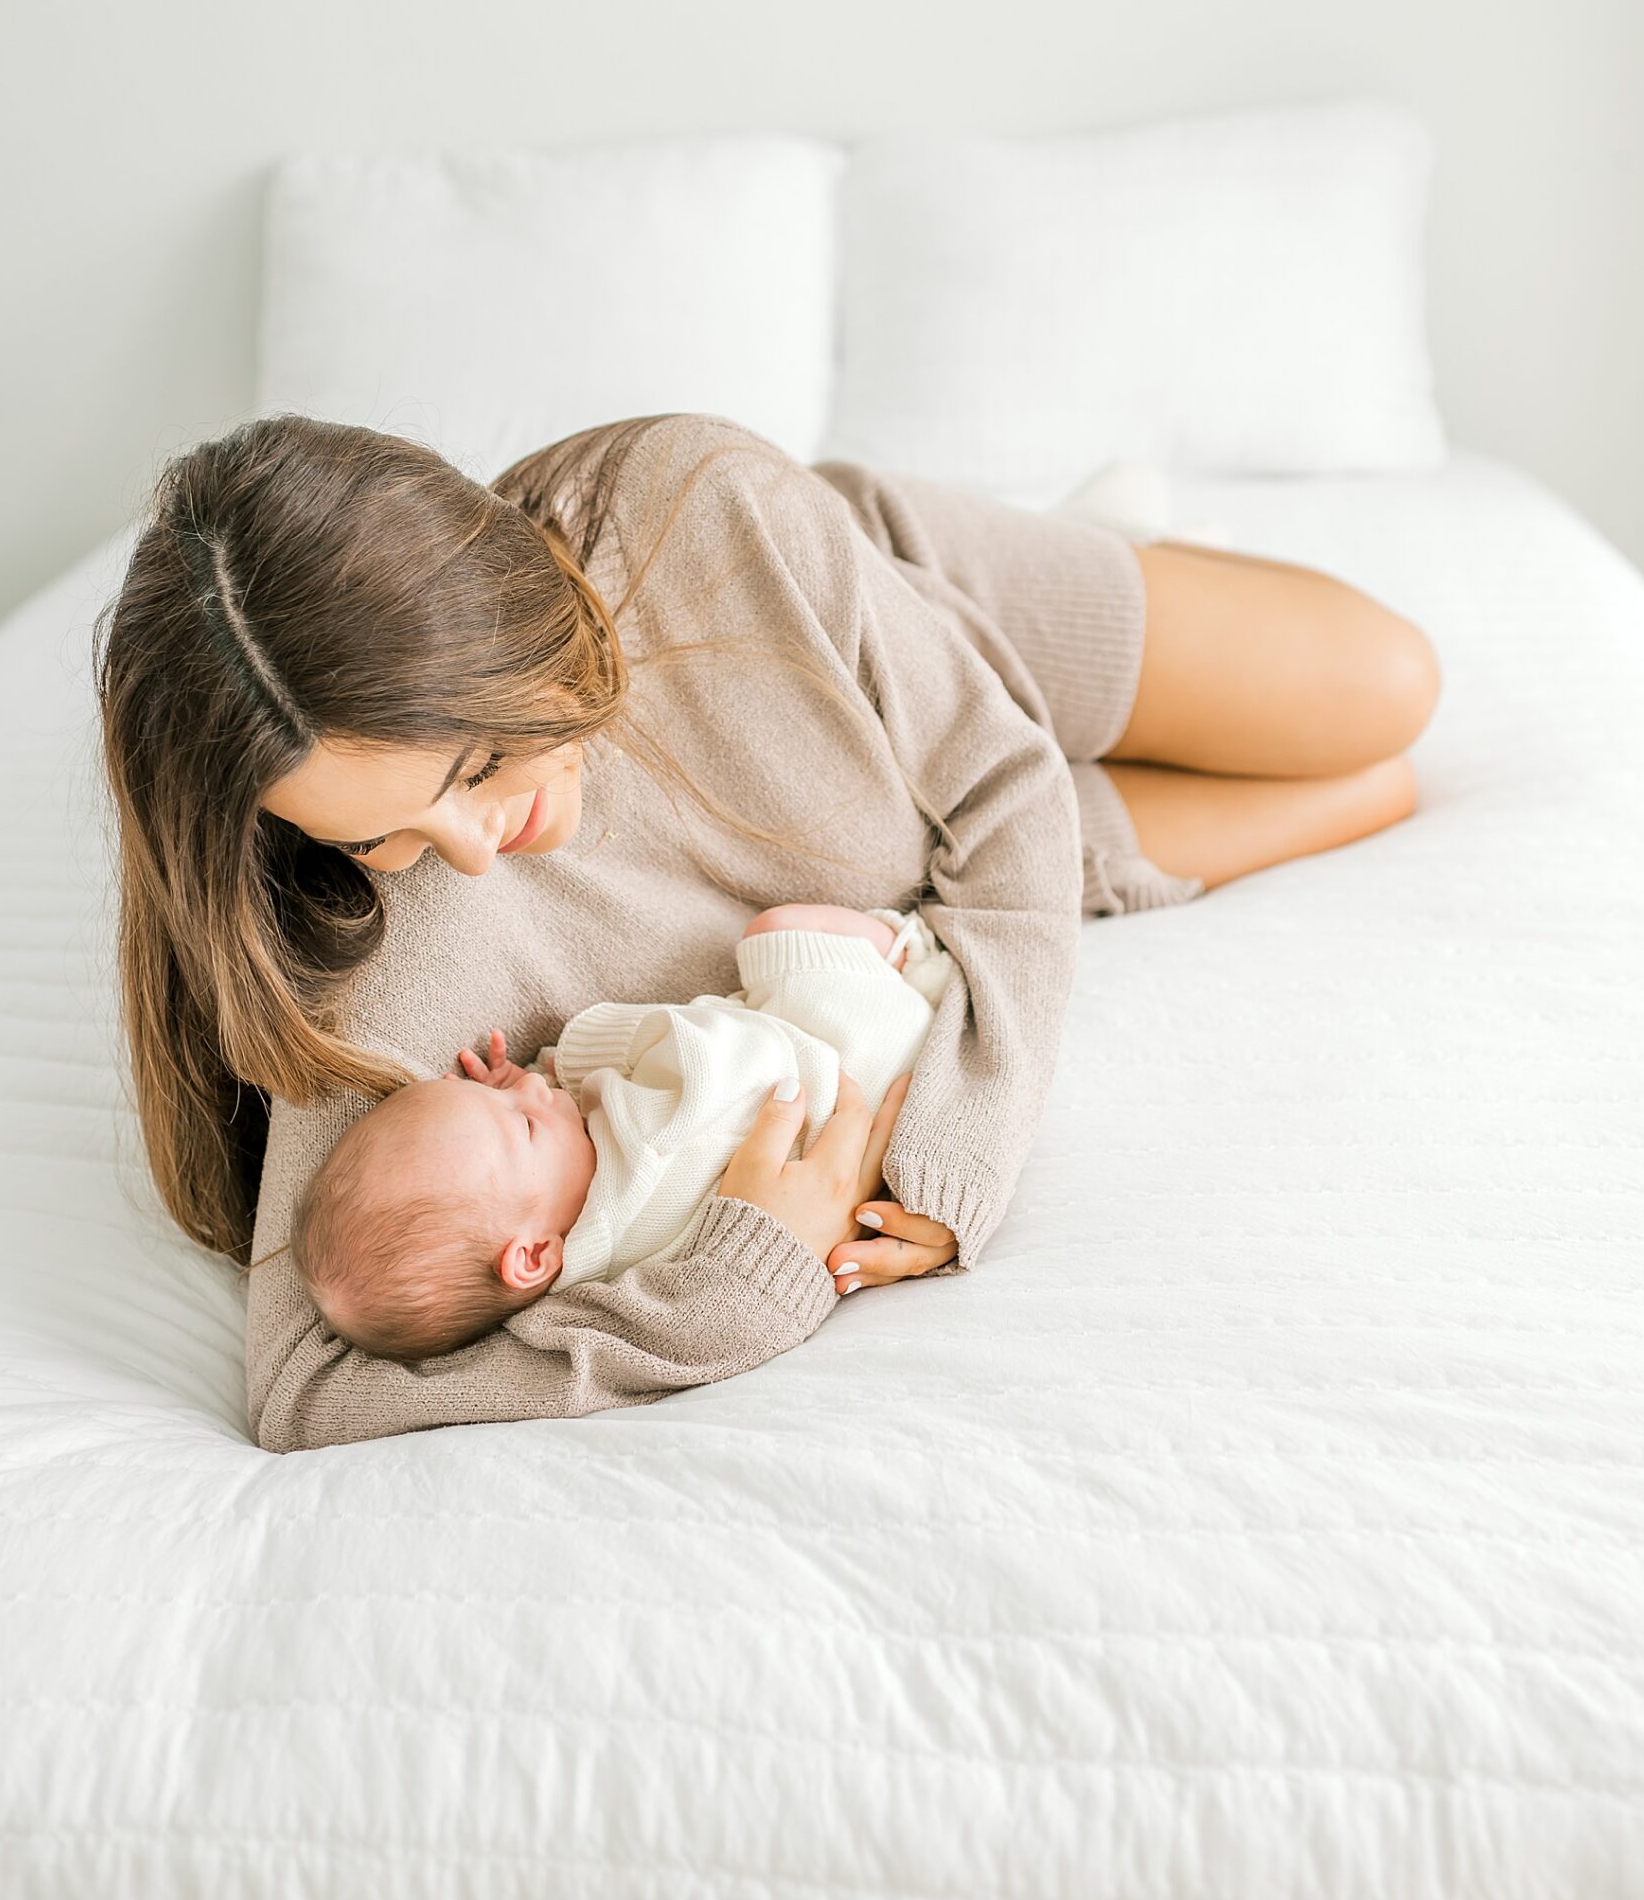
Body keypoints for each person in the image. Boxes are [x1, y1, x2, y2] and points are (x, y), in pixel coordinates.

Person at [93, 410, 1440, 1453]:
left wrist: (963, 1142)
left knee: (1393, 691)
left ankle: (1064, 537)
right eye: (374, 833)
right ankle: (970, 855)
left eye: (469, 775)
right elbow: (307, 1390)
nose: (463, 858)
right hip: (901, 889)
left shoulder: (702, 509)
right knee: (1375, 796)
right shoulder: (372, 948)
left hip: (901, 624)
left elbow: (1004, 788)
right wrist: (745, 1282)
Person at [291, 900, 956, 1361]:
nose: (527, 1083)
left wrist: (523, 1114)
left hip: (877, 1166)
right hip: (862, 1053)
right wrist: (573, 1062)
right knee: (778, 932)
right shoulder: (643, 1138)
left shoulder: (593, 1294)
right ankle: (914, 951)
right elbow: (711, 1037)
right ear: (528, 1256)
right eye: (522, 1123)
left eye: (492, 1088)